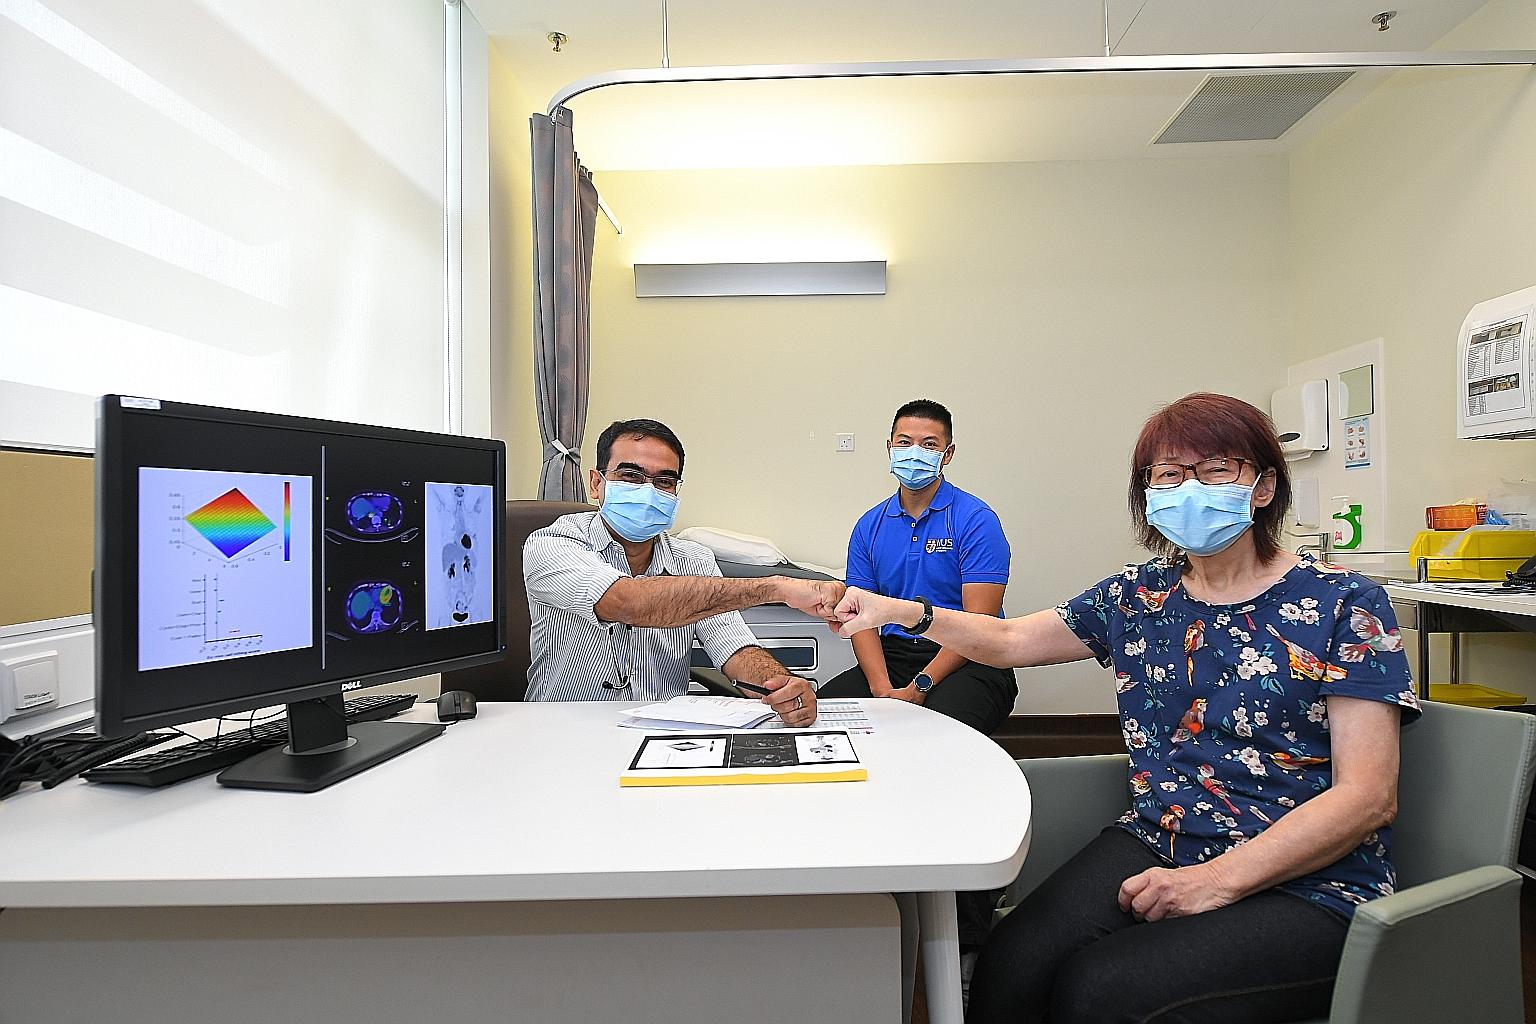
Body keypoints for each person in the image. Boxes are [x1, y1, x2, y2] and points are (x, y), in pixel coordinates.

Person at [832, 393, 1420, 1024]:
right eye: (1168, 476)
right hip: (1160, 837)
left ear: (1263, 486)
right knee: (1011, 964)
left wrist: (1216, 880)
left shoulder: (1345, 604)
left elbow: (1367, 797)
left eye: (1216, 470)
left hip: (1308, 877)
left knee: (1101, 990)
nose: (1189, 489)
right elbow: (1009, 640)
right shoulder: (1138, 595)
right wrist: (899, 610)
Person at [524, 418, 842, 726]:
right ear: (596, 483)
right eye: (631, 476)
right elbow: (630, 603)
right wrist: (775, 588)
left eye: (664, 481)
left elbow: (734, 646)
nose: (648, 491)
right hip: (562, 726)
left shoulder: (694, 559)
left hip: (661, 728)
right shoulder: (553, 544)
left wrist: (782, 685)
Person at [818, 399, 1016, 735]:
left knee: (931, 734)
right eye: (905, 442)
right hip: (894, 657)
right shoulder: (869, 526)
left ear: (947, 454)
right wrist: (881, 689)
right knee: (820, 719)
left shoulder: (976, 521)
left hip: (970, 658)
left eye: (929, 445)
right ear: (889, 448)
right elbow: (860, 615)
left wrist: (920, 686)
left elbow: (979, 624)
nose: (915, 452)